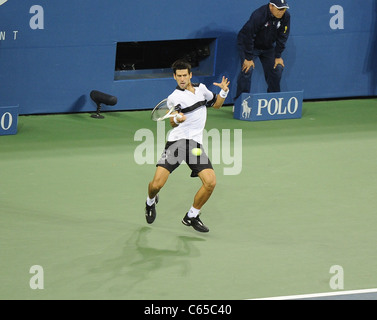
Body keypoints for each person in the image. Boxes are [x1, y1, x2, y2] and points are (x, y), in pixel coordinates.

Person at [144, 60, 230, 233]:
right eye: (179, 76)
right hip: (177, 143)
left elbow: (217, 105)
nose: (182, 79)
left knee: (210, 182)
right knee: (156, 185)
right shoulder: (174, 97)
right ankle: (150, 201)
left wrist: (223, 91)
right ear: (174, 77)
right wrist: (177, 119)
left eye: (185, 75)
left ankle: (191, 216)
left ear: (190, 75)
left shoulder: (202, 89)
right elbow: (172, 122)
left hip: (195, 145)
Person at [235, 0, 290, 99]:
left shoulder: (286, 17)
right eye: (279, 9)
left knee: (277, 68)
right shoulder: (259, 15)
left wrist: (278, 56)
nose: (281, 12)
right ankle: (241, 102)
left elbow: (283, 36)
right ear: (271, 6)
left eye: (284, 9)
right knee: (247, 69)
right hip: (249, 44)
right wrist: (248, 57)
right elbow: (249, 36)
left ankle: (274, 100)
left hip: (267, 47)